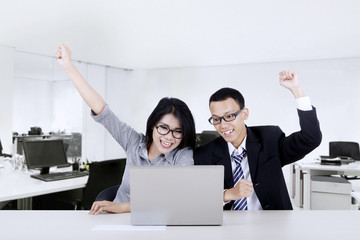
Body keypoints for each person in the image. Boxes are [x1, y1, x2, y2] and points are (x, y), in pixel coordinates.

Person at [56, 44, 196, 215]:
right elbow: (102, 110)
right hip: (116, 223)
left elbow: (179, 197)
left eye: (177, 131)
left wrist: (124, 207)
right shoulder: (133, 142)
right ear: (153, 125)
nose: (169, 137)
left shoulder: (182, 155)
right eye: (164, 128)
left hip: (157, 223)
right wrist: (68, 66)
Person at [194, 71, 322, 210]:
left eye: (229, 116)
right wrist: (227, 194)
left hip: (273, 223)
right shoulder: (205, 154)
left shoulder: (270, 139)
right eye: (216, 119)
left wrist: (297, 90)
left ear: (244, 114)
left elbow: (311, 138)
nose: (223, 125)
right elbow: (198, 198)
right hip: (229, 226)